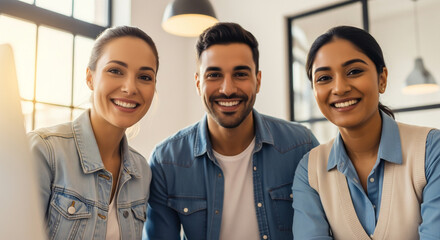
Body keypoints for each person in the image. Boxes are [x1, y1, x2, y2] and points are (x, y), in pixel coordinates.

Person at [144, 22, 318, 240]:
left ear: (258, 81)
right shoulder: (166, 161)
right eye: (214, 75)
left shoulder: (302, 146)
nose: (227, 89)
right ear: (198, 84)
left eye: (240, 74)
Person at [292, 25, 440, 240]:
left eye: (354, 72)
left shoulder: (431, 150)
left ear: (382, 79)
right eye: (324, 78)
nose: (340, 88)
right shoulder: (310, 171)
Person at [28, 25, 159, 239]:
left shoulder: (142, 171)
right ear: (90, 77)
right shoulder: (44, 151)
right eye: (115, 71)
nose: (130, 88)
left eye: (145, 77)